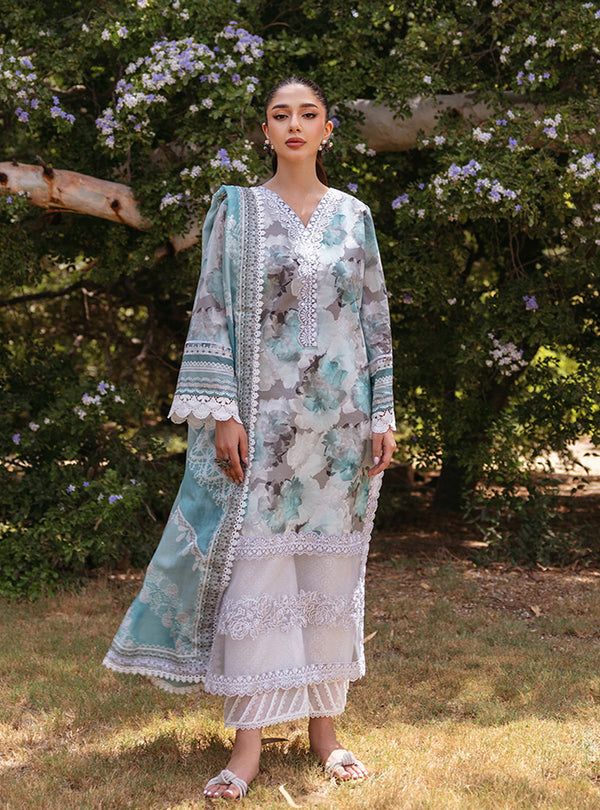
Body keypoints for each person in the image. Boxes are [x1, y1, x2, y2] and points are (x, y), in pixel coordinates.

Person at [102, 75, 397, 801]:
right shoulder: (236, 212)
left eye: (308, 114)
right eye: (280, 114)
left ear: (328, 130)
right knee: (257, 575)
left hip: (339, 430)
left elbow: (373, 319)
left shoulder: (355, 216)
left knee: (330, 575)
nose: (294, 124)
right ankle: (248, 748)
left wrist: (383, 413)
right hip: (261, 426)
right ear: (264, 130)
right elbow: (212, 310)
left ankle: (326, 733)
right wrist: (224, 413)